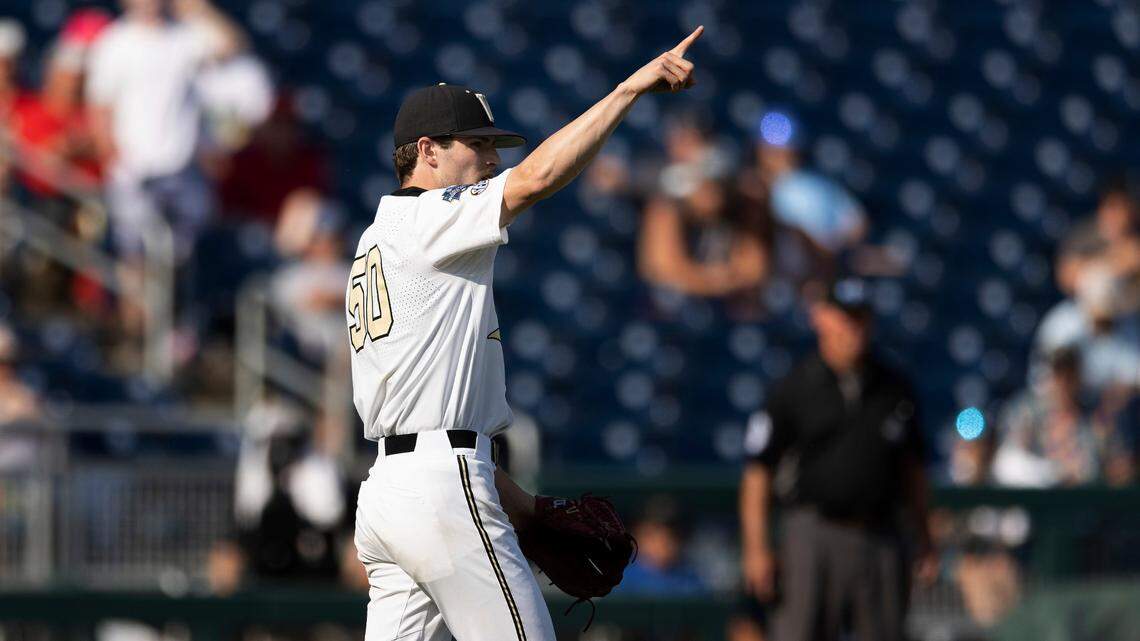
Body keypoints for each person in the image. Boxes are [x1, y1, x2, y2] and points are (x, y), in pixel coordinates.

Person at [349, 27, 704, 641]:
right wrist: (627, 91)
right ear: (426, 151)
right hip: (439, 490)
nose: (491, 158)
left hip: (387, 493)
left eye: (494, 145)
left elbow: (432, 423)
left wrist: (526, 506)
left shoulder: (375, 239)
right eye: (476, 144)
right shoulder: (428, 219)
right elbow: (536, 178)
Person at [739, 278, 936, 641]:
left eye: (861, 318)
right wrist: (757, 547)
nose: (854, 328)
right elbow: (758, 471)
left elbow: (913, 470)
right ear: (821, 319)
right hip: (814, 531)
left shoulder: (893, 387)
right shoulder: (795, 387)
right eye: (845, 317)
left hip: (880, 532)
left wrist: (923, 536)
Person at [86, 0, 244, 263]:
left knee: (181, 258)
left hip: (181, 166)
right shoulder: (114, 42)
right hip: (132, 168)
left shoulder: (183, 37)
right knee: (134, 255)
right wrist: (112, 155)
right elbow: (100, 105)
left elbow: (231, 45)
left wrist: (196, 7)